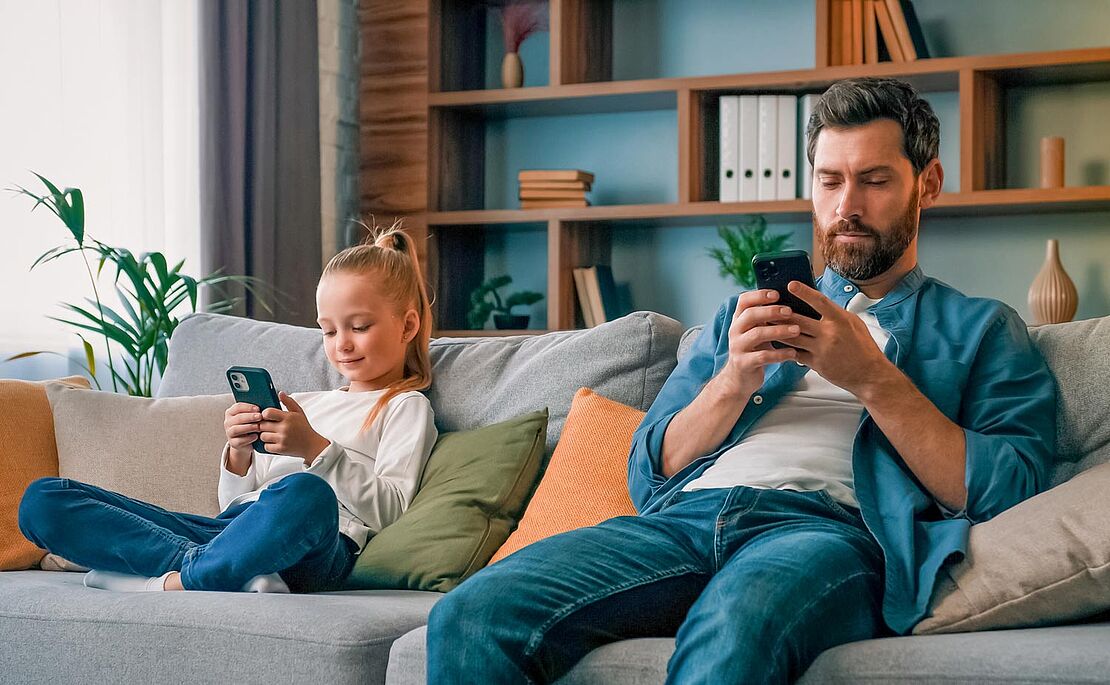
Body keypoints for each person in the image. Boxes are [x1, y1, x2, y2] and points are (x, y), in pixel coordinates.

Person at [425, 77, 1057, 683]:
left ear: (929, 184)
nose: (847, 207)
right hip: (685, 521)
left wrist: (872, 380)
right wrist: (732, 379)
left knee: (734, 623)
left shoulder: (981, 329)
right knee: (469, 616)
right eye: (830, 180)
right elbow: (649, 474)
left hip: (825, 531)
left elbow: (1008, 487)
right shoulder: (741, 316)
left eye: (874, 181)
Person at [18, 224, 438, 594]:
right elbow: (232, 504)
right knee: (44, 500)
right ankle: (224, 571)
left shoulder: (405, 407)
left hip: (316, 546)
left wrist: (315, 448)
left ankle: (179, 579)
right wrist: (238, 454)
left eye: (359, 327)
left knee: (307, 493)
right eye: (327, 330)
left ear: (407, 325)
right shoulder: (306, 403)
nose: (341, 343)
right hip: (229, 533)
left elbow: (391, 509)